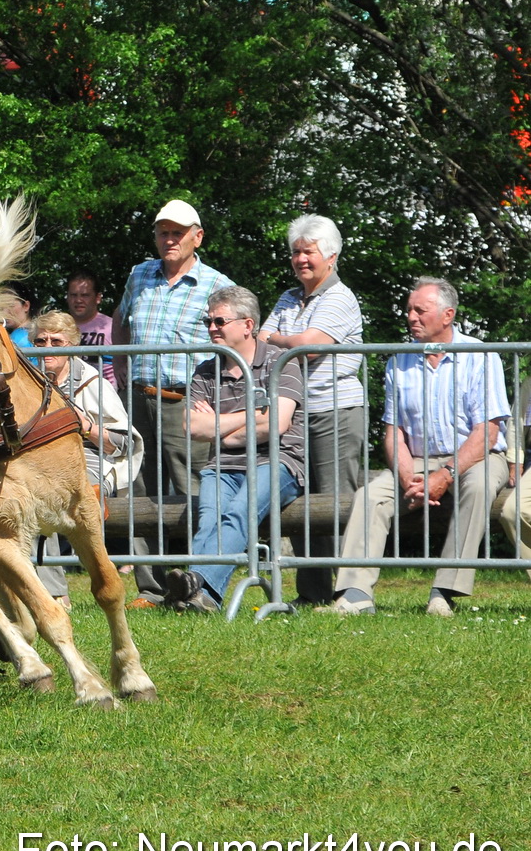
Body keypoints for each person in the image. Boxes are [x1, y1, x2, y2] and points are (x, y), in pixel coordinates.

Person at [325, 278, 509, 617]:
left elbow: (487, 432)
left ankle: (444, 592)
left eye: (420, 310)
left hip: (477, 456)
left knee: (480, 485)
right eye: (409, 310)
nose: (411, 317)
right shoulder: (399, 360)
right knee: (371, 496)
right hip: (418, 461)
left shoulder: (481, 355)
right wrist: (408, 476)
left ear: (447, 315)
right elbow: (393, 432)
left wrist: (447, 473)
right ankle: (354, 595)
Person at [158, 286, 306, 614]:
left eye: (220, 320)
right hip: (223, 465)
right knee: (209, 518)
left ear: (247, 325)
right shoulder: (204, 371)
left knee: (239, 511)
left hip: (278, 462)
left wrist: (220, 431)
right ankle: (202, 596)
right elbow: (192, 428)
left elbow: (276, 425)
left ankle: (196, 586)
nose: (212, 327)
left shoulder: (280, 363)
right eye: (208, 321)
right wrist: (251, 415)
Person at [259, 214, 366, 607]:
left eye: (309, 252)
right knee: (301, 506)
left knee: (338, 505)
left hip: (334, 412)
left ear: (331, 256)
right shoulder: (289, 297)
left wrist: (279, 338)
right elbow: (261, 343)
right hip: (295, 413)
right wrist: (281, 340)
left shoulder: (340, 297)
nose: (301, 259)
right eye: (296, 252)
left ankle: (351, 591)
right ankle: (313, 592)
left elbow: (309, 345)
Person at [111, 198, 237, 495]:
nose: (169, 240)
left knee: (191, 490)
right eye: (163, 233)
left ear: (198, 237)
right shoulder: (139, 274)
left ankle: (194, 545)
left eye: (177, 233)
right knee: (137, 489)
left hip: (187, 403)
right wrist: (119, 361)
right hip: (138, 400)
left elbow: (235, 340)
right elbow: (120, 316)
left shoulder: (218, 285)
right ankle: (142, 545)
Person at [29, 312, 142, 606]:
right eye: (40, 341)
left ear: (73, 345)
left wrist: (86, 426)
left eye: (57, 341)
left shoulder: (92, 382)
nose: (48, 348)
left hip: (88, 460)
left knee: (52, 497)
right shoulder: (27, 381)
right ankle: (55, 595)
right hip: (38, 463)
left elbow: (125, 442)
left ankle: (97, 585)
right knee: (30, 498)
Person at [65, 270, 116, 384]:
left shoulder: (112, 326)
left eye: (85, 295)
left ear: (98, 298)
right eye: (73, 295)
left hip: (104, 395)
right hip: (68, 395)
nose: (78, 300)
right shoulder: (59, 328)